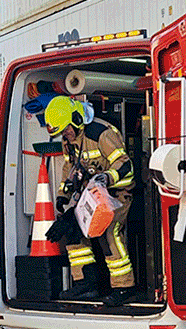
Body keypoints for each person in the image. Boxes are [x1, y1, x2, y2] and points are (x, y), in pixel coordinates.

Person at [43, 95, 138, 306]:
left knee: (109, 232)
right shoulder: (69, 140)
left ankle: (124, 287)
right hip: (91, 196)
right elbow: (70, 167)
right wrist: (63, 195)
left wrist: (107, 178)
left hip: (117, 193)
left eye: (66, 130)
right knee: (72, 230)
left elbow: (126, 167)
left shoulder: (100, 134)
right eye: (61, 133)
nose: (65, 135)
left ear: (76, 119)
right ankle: (85, 284)